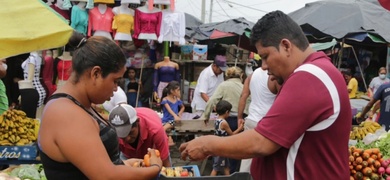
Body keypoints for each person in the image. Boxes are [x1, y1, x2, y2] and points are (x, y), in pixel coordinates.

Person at [179, 11, 351, 180]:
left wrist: (208, 144)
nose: (264, 66)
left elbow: (261, 142)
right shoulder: (318, 72)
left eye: (266, 56)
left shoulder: (309, 77)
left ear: (286, 46)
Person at [38, 31, 162, 179]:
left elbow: (93, 166)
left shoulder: (78, 104)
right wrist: (155, 168)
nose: (116, 88)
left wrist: (124, 165)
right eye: (115, 81)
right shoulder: (66, 113)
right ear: (95, 74)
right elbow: (106, 176)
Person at [200, 66, 245, 173]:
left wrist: (206, 116)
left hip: (227, 118)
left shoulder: (223, 85)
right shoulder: (244, 87)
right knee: (237, 147)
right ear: (241, 76)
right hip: (240, 119)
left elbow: (212, 101)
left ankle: (221, 170)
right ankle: (232, 172)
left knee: (224, 145)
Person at [237, 68, 280, 172]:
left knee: (247, 157)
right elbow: (282, 99)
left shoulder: (252, 75)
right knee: (266, 160)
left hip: (251, 119)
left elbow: (244, 96)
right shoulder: (274, 77)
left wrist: (239, 117)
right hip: (266, 123)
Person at [210, 100, 244, 176]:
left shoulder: (216, 120)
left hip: (219, 145)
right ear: (226, 112)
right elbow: (231, 135)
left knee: (226, 166)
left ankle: (228, 178)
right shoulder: (224, 123)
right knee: (216, 168)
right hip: (221, 146)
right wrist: (240, 128)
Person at [160, 81, 184, 146]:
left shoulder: (177, 99)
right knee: (162, 128)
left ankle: (169, 140)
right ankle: (168, 140)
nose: (179, 92)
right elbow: (169, 110)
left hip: (174, 121)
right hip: (166, 120)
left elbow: (182, 107)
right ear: (172, 91)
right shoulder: (165, 100)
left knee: (164, 128)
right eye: (177, 90)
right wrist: (175, 116)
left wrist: (179, 113)